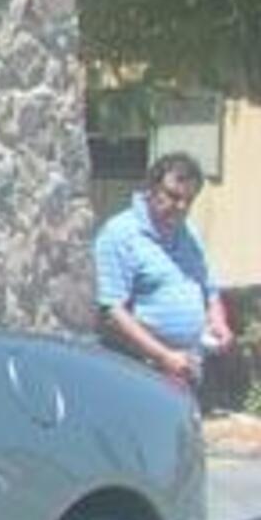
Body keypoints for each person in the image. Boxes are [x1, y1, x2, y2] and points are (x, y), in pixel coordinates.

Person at [95, 151, 230, 395]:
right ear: (151, 188)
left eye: (189, 200)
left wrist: (218, 322)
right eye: (173, 196)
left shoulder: (189, 234)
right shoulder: (120, 235)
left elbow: (209, 291)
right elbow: (112, 311)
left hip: (187, 367)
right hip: (140, 369)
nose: (181, 207)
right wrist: (163, 355)